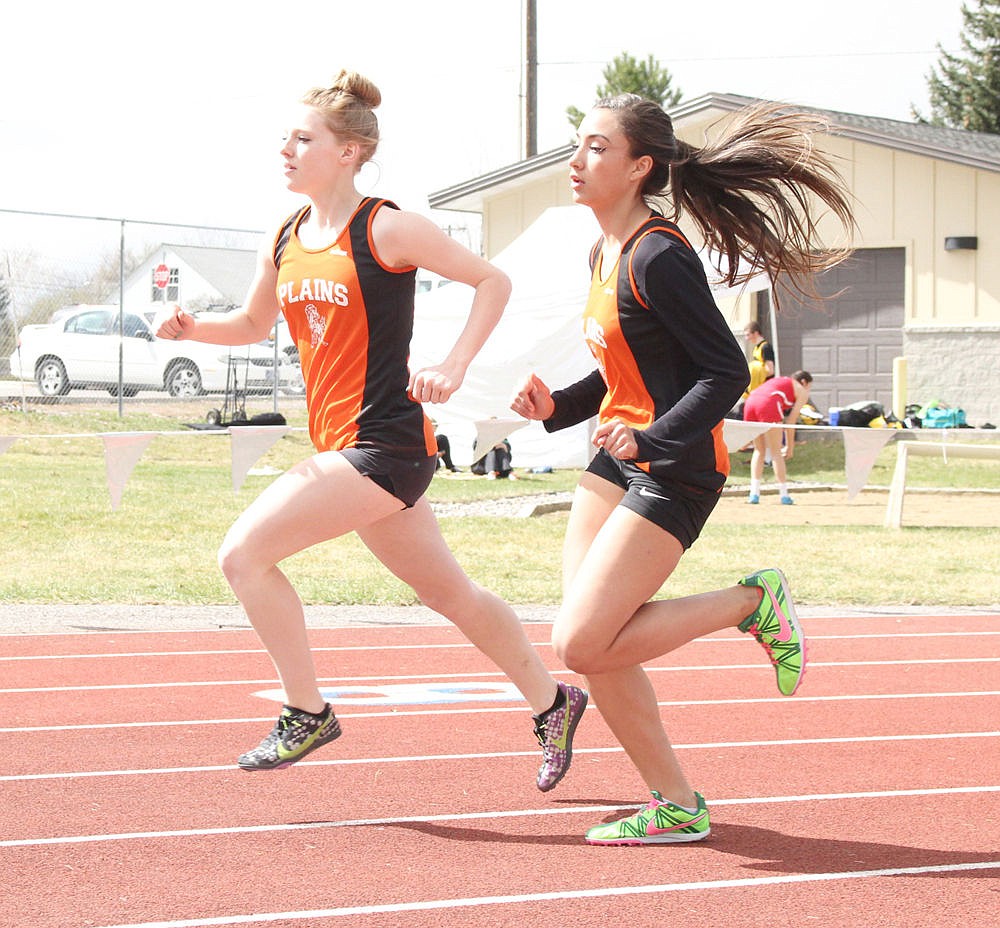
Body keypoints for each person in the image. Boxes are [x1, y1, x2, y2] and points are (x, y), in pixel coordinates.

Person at [154, 70, 587, 792]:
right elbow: (256, 324)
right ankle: (553, 701)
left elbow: (493, 282)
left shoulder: (385, 226)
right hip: (346, 448)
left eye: (303, 139)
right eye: (284, 138)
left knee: (242, 555)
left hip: (383, 443)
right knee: (452, 597)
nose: (286, 150)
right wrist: (194, 328)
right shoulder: (287, 236)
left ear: (350, 152)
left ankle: (306, 710)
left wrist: (453, 363)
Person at [511, 94, 854, 845]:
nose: (576, 161)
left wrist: (655, 440)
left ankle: (750, 602)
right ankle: (675, 804)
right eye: (579, 145)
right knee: (594, 645)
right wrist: (554, 409)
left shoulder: (661, 255)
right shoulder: (604, 251)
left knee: (579, 643)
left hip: (676, 470)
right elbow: (625, 369)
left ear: (639, 167)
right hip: (616, 460)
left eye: (596, 148)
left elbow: (723, 371)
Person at [743, 370, 813, 505]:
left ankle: (754, 493)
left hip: (751, 402)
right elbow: (791, 422)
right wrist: (790, 447)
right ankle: (784, 494)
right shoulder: (802, 391)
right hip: (768, 404)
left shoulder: (780, 381)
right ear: (804, 382)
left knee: (759, 450)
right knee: (776, 452)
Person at [740, 320, 775, 403]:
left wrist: (756, 371)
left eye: (748, 335)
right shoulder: (757, 347)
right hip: (756, 386)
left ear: (756, 333)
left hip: (764, 387)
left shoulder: (765, 347)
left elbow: (770, 371)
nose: (747, 338)